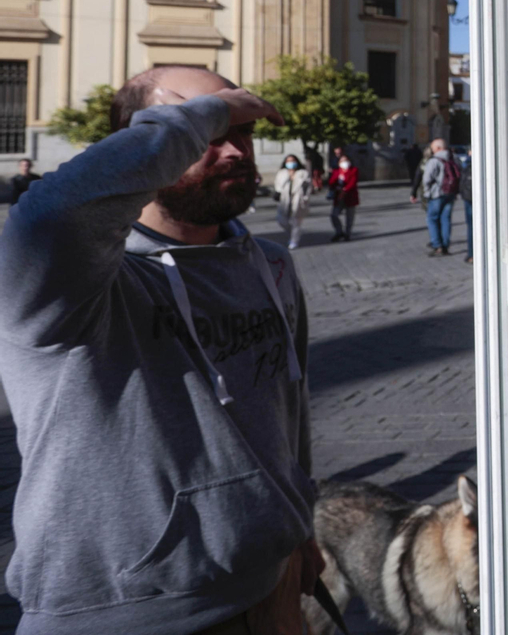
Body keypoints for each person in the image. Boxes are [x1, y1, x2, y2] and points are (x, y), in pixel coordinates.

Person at [0, 65, 320, 634]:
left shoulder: (271, 264)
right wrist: (207, 115)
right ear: (144, 142)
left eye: (242, 131)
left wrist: (302, 531)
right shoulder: (72, 283)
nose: (233, 149)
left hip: (272, 587)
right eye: (207, 132)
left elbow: (286, 412)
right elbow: (47, 216)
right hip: (124, 615)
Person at [418, 138, 460, 256]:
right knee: (446, 219)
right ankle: (445, 245)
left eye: (432, 148)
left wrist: (426, 193)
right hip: (451, 193)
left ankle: (437, 245)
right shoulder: (454, 158)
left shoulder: (434, 160)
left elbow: (426, 179)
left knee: (432, 219)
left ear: (437, 148)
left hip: (436, 194)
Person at [274, 153, 313, 249]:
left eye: (292, 161)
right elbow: (278, 185)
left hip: (298, 199)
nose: (291, 163)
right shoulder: (282, 173)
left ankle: (294, 241)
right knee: (281, 220)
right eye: (288, 161)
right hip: (285, 200)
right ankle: (294, 233)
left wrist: (305, 198)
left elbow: (308, 187)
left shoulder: (303, 173)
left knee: (296, 221)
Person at [327, 152, 360, 242]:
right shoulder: (336, 172)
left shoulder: (354, 170)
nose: (344, 162)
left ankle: (347, 234)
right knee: (334, 215)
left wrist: (344, 190)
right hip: (339, 197)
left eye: (346, 160)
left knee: (349, 217)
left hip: (350, 196)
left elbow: (353, 182)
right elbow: (331, 183)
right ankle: (339, 231)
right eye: (342, 161)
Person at [460, 145, 474, 264]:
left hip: (469, 198)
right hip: (470, 197)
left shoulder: (467, 163)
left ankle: (472, 254)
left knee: (472, 227)